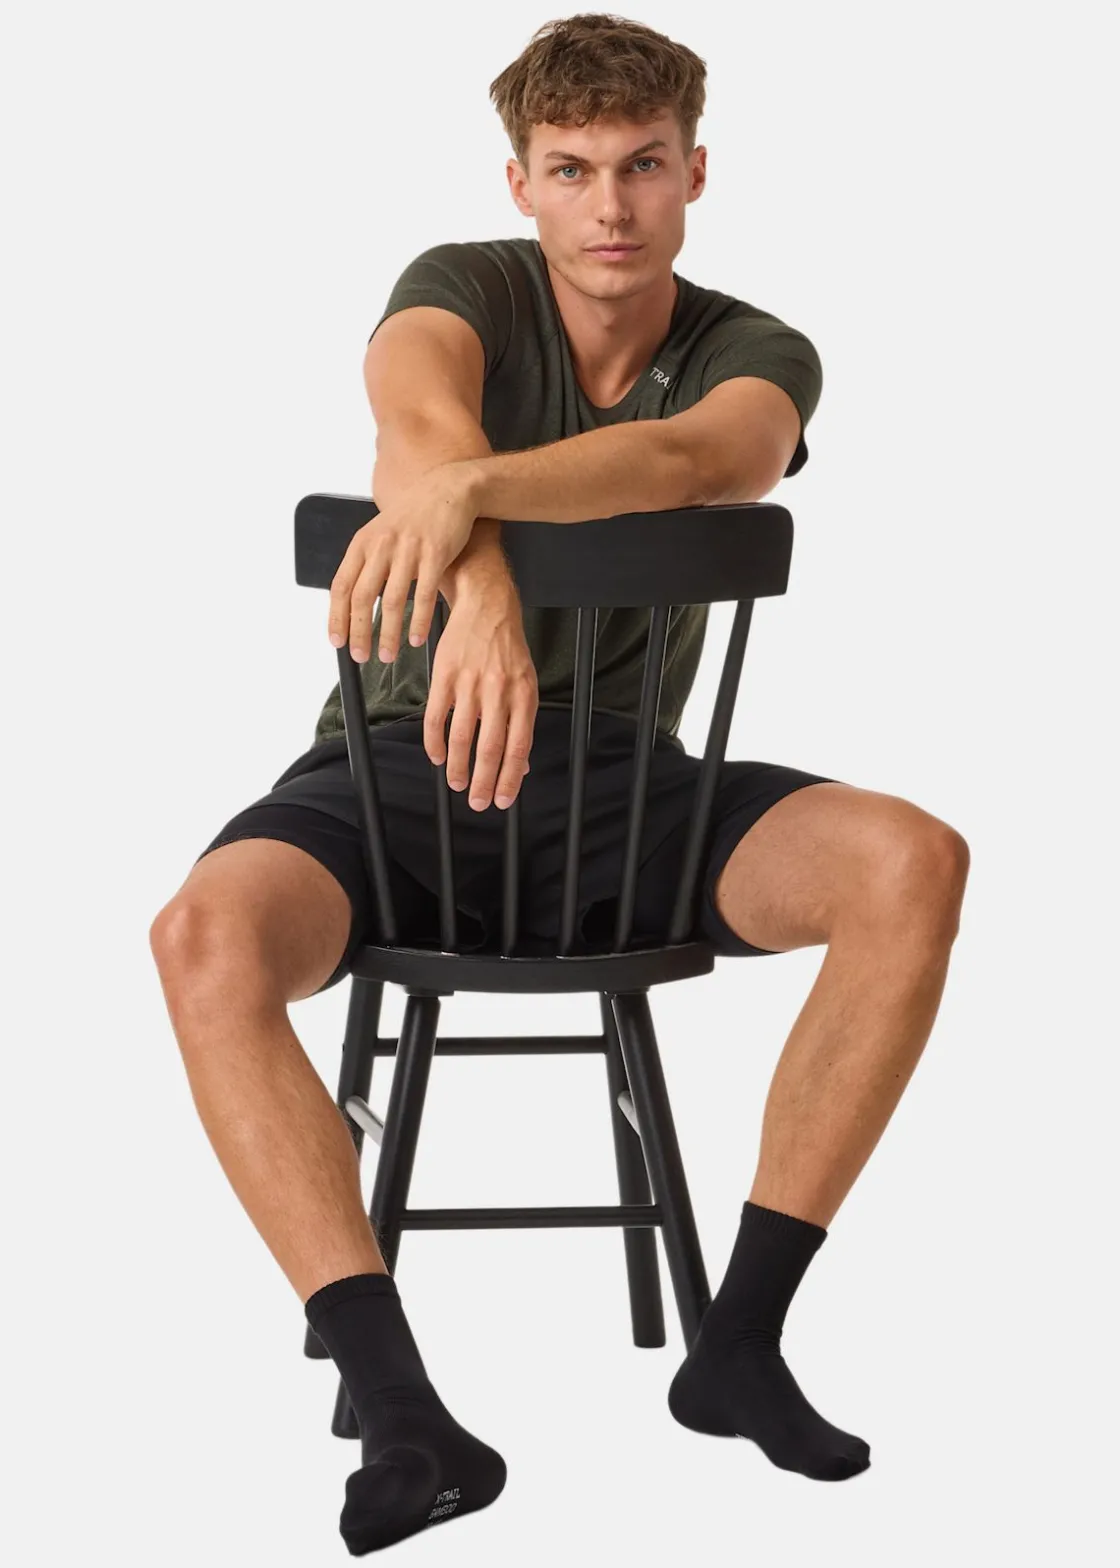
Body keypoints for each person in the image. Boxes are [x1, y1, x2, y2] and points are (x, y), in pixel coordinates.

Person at [150, 13, 970, 1556]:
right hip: (391, 773)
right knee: (201, 936)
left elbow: (692, 466)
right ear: (519, 181)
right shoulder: (455, 288)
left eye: (643, 165)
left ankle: (739, 1345)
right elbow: (417, 432)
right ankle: (403, 1410)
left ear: (696, 173)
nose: (611, 205)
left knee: (911, 858)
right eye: (574, 169)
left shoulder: (758, 348)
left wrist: (470, 511)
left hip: (626, 790)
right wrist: (481, 591)